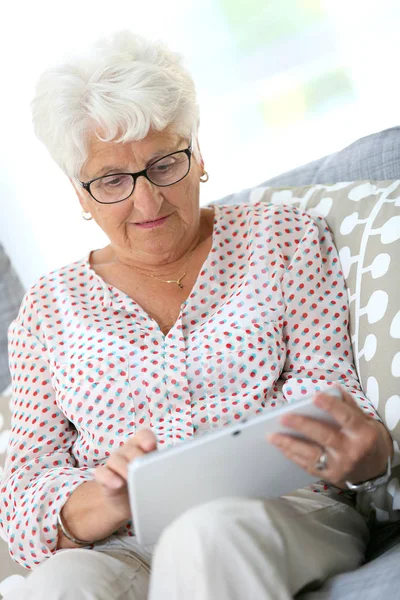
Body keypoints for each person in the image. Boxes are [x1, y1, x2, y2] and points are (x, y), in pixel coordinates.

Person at [0, 30, 394, 600]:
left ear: (198, 154)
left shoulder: (281, 240)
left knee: (204, 538)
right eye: (112, 180)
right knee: (59, 585)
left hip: (283, 514)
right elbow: (23, 493)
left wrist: (365, 450)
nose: (147, 201)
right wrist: (98, 500)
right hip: (124, 546)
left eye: (164, 164)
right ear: (79, 194)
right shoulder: (47, 310)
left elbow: (331, 393)